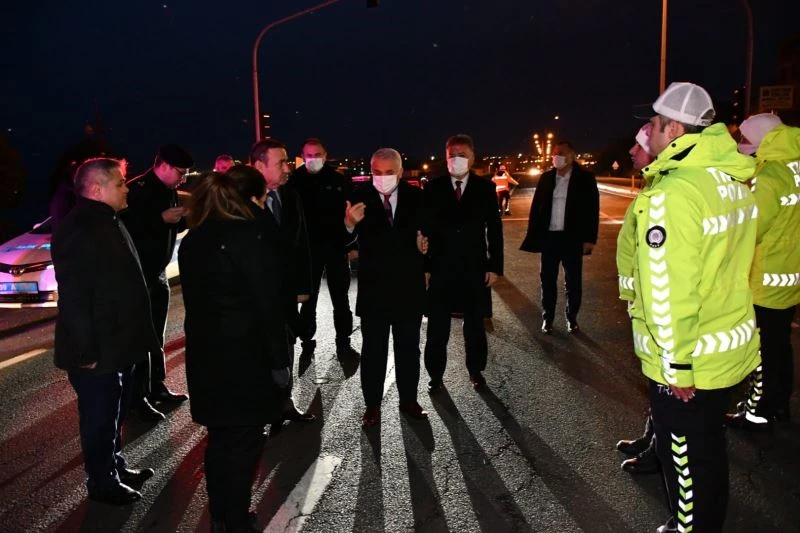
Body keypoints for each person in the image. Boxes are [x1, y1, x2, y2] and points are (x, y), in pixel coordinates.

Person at [631, 82, 761, 533]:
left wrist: (675, 364)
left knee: (684, 458)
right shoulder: (730, 176)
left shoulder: (677, 191)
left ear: (674, 128)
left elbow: (669, 291)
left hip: (692, 358)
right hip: (725, 347)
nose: (648, 130)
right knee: (709, 452)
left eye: (653, 123)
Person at [179, 172, 287, 533]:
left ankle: (222, 514)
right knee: (244, 440)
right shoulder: (247, 237)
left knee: (220, 438)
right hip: (244, 355)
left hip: (206, 354)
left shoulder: (194, 239)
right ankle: (237, 518)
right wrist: (278, 361)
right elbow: (267, 304)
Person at [52, 158, 159, 505]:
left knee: (113, 412)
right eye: (120, 183)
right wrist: (85, 352)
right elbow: (75, 297)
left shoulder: (106, 220)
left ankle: (114, 465)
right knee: (98, 418)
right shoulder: (81, 228)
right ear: (97, 189)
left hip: (117, 345)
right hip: (97, 351)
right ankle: (102, 481)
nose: (127, 188)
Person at [343, 148, 429, 426]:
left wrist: (426, 246)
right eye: (377, 173)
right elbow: (340, 243)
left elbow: (432, 235)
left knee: (408, 349)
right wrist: (348, 226)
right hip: (374, 291)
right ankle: (372, 406)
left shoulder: (417, 198)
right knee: (373, 352)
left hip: (408, 289)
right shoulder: (359, 198)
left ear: (401, 172)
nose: (383, 178)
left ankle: (409, 400)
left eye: (389, 172)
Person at [725, 113, 800, 430]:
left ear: (760, 141)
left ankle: (758, 410)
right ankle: (779, 403)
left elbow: (751, 229)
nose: (740, 145)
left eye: (744, 139)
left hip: (765, 277)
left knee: (761, 350)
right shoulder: (793, 168)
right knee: (779, 345)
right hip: (789, 273)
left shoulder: (769, 177)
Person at [421, 134, 503, 392]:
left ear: (472, 157)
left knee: (475, 325)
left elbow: (495, 230)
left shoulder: (485, 188)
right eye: (452, 155)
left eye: (462, 155)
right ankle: (435, 375)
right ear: (446, 158)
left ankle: (476, 370)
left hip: (474, 267)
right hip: (441, 267)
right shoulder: (433, 188)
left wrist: (494, 266)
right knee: (437, 327)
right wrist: (424, 265)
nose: (457, 160)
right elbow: (424, 229)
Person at [121, 144, 192, 422]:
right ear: (162, 165)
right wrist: (159, 218)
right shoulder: (136, 190)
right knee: (140, 338)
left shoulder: (169, 190)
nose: (183, 178)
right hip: (138, 276)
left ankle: (156, 386)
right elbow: (127, 229)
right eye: (180, 172)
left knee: (156, 337)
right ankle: (137, 399)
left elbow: (168, 229)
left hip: (158, 274)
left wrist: (179, 221)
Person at [250, 140, 315, 428]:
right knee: (262, 352)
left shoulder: (291, 196)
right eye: (281, 163)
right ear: (259, 166)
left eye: (288, 161)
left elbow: (302, 244)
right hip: (257, 297)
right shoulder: (242, 202)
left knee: (286, 346)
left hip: (286, 293)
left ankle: (285, 405)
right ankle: (264, 410)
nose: (288, 168)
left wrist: (304, 285)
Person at [614, 123, 660, 476]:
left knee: (666, 389)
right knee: (657, 389)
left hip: (661, 311)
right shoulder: (655, 183)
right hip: (648, 305)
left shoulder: (667, 189)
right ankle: (653, 437)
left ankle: (660, 452)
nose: (631, 151)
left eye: (639, 145)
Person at [520, 141, 599, 334]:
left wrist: (590, 239)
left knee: (573, 281)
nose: (556, 156)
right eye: (555, 153)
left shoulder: (585, 178)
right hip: (549, 239)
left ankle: (571, 318)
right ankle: (548, 318)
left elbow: (591, 210)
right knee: (547, 280)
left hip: (572, 239)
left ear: (571, 155)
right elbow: (536, 208)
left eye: (561, 153)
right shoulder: (546, 178)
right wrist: (534, 235)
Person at [287, 138, 353, 351]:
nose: (313, 159)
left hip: (335, 247)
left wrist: (351, 244)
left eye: (317, 155)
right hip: (307, 250)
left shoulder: (338, 180)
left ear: (325, 156)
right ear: (302, 156)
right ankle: (306, 337)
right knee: (308, 299)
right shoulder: (294, 181)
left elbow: (349, 212)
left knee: (340, 298)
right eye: (309, 155)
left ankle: (343, 338)